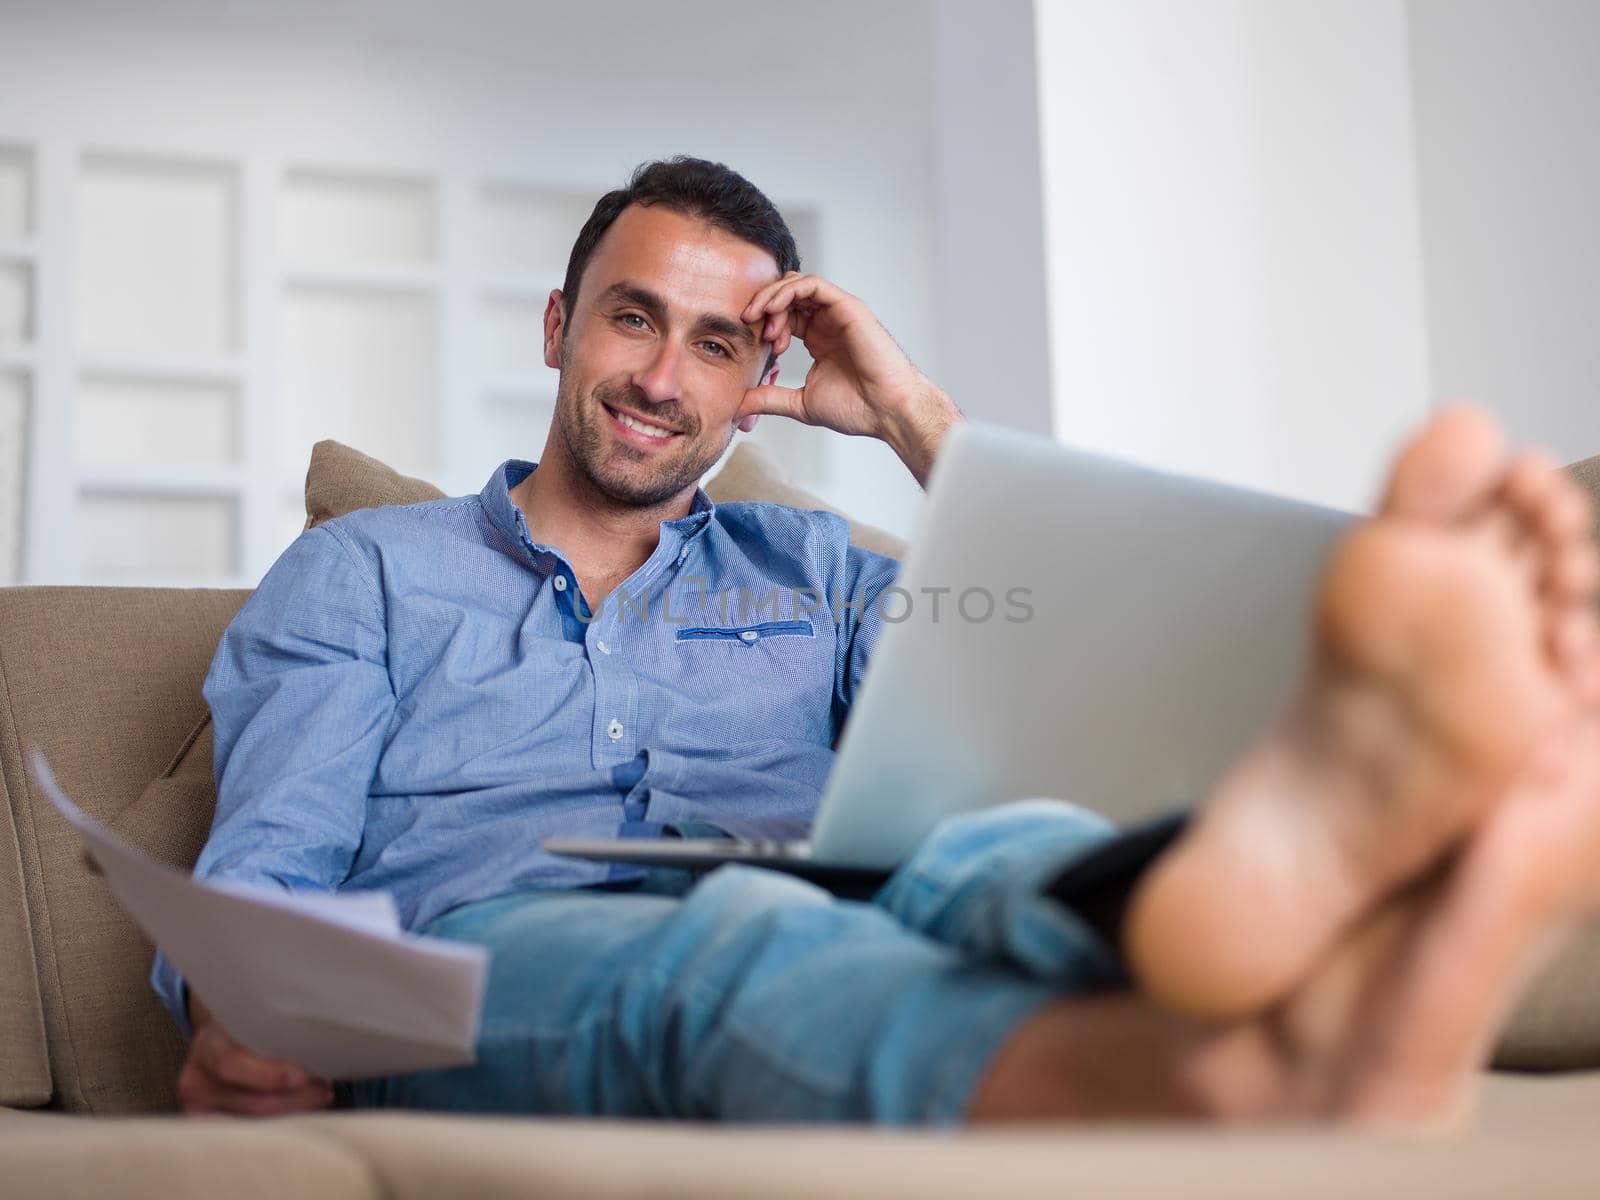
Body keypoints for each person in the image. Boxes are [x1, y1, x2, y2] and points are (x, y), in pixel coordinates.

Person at [159, 157, 1600, 1127]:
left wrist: (911, 416)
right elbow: (263, 884)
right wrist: (248, 1013)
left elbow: (1072, 673)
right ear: (559, 328)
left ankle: (1294, 930)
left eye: (717, 345)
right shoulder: (367, 574)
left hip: (845, 898)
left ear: (764, 376)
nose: (664, 378)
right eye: (632, 321)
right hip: (481, 964)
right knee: (736, 944)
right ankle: (1261, 1067)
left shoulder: (819, 567)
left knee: (997, 851)